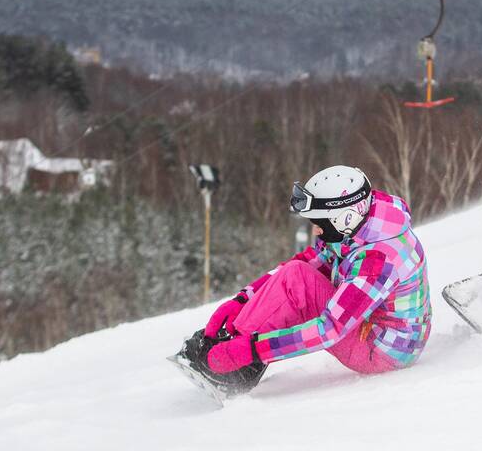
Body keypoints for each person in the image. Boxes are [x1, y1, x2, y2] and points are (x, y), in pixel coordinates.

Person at [179, 165, 431, 396]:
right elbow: (313, 260)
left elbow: (329, 329)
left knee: (299, 282)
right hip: (370, 322)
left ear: (343, 218)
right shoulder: (363, 221)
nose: (315, 230)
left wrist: (253, 349)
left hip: (383, 350)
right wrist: (243, 299)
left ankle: (239, 363)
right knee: (296, 274)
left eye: (319, 223)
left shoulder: (376, 261)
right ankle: (236, 339)